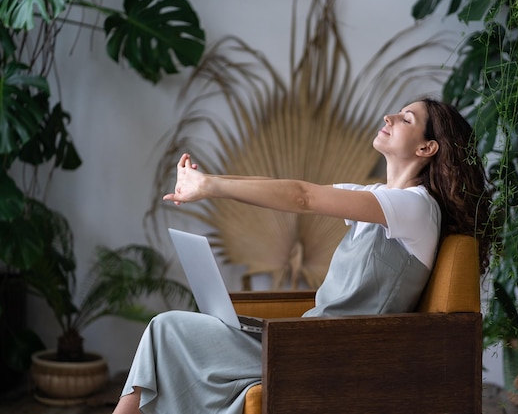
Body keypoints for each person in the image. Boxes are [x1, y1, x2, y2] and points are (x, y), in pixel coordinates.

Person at [113, 98, 491, 414]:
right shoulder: (379, 200)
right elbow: (293, 192)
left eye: (406, 119)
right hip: (307, 340)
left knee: (166, 329)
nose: (389, 117)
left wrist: (209, 185)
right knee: (170, 333)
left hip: (328, 356)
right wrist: (209, 187)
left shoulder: (415, 209)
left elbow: (302, 197)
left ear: (427, 148)